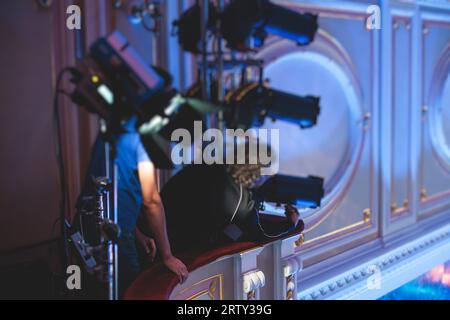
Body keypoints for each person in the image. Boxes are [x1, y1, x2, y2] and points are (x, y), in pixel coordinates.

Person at [76, 116, 188, 296]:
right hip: (114, 238)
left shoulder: (113, 130)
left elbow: (114, 194)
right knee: (132, 292)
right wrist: (167, 255)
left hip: (86, 225)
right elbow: (151, 201)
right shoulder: (141, 141)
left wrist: (136, 233)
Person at [155, 161, 305, 254]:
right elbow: (260, 236)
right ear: (256, 175)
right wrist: (290, 224)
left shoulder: (214, 164)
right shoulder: (240, 203)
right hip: (170, 239)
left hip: (159, 214)